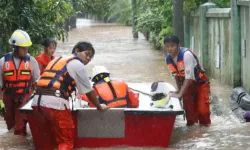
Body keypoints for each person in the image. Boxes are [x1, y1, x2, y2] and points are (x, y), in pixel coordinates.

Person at [31, 41, 109, 150]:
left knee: (47, 141)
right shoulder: (78, 64)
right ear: (77, 51)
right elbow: (88, 91)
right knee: (65, 141)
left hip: (36, 103)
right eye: (87, 54)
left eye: (90, 57)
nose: (88, 58)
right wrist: (99, 106)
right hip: (55, 104)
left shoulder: (56, 60)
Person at [164, 35, 211, 127]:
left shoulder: (186, 55)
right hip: (187, 85)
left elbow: (189, 78)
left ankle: (206, 132)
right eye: (167, 46)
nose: (169, 49)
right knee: (189, 116)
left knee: (203, 111)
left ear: (178, 46)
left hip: (200, 83)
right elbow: (176, 76)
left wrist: (180, 94)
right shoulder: (168, 59)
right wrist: (178, 90)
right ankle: (192, 135)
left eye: (172, 45)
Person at [0, 29, 40, 135]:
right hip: (8, 99)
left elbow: (37, 83)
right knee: (10, 127)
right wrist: (0, 104)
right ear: (15, 47)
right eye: (23, 48)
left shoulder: (32, 61)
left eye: (27, 47)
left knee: (19, 128)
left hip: (24, 98)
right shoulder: (3, 62)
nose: (26, 50)